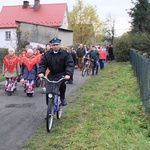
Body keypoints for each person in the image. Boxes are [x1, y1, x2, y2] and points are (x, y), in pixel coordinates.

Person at [38, 37, 74, 106]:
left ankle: (62, 98)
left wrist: (68, 74)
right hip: (52, 74)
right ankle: (49, 107)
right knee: (48, 89)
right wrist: (41, 72)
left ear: (59, 45)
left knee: (62, 85)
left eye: (57, 44)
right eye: (54, 45)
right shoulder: (47, 54)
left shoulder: (65, 54)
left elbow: (70, 64)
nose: (55, 46)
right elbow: (42, 64)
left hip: (61, 74)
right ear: (51, 46)